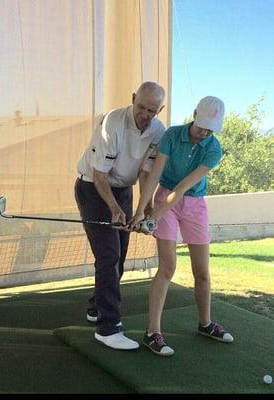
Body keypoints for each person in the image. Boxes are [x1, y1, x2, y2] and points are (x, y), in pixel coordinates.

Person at [129, 96, 234, 356]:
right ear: (194, 113)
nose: (204, 133)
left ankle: (205, 324)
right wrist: (143, 211)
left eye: (210, 128)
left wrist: (154, 216)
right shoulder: (172, 135)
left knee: (202, 271)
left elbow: (184, 186)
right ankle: (152, 332)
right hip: (165, 196)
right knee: (168, 267)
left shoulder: (214, 149)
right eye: (202, 126)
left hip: (194, 204)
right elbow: (154, 175)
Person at [74, 81, 166, 350]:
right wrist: (114, 209)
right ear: (133, 97)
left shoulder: (158, 131)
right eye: (141, 107)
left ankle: (96, 307)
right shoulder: (113, 122)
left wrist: (144, 208)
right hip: (93, 189)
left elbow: (146, 172)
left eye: (152, 110)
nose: (145, 115)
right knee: (109, 256)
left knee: (120, 255)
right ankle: (108, 327)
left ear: (159, 109)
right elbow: (100, 174)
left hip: (123, 190)